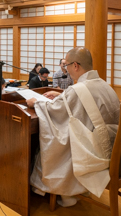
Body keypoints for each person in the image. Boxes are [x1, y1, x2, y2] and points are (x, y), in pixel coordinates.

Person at [27, 47, 120, 207]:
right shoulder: (105, 85)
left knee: (59, 142)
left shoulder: (77, 91)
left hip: (95, 153)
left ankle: (67, 192)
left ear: (75, 65)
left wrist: (36, 103)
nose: (66, 69)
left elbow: (55, 111)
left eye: (67, 65)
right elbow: (79, 104)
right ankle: (76, 190)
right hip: (113, 150)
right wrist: (62, 95)